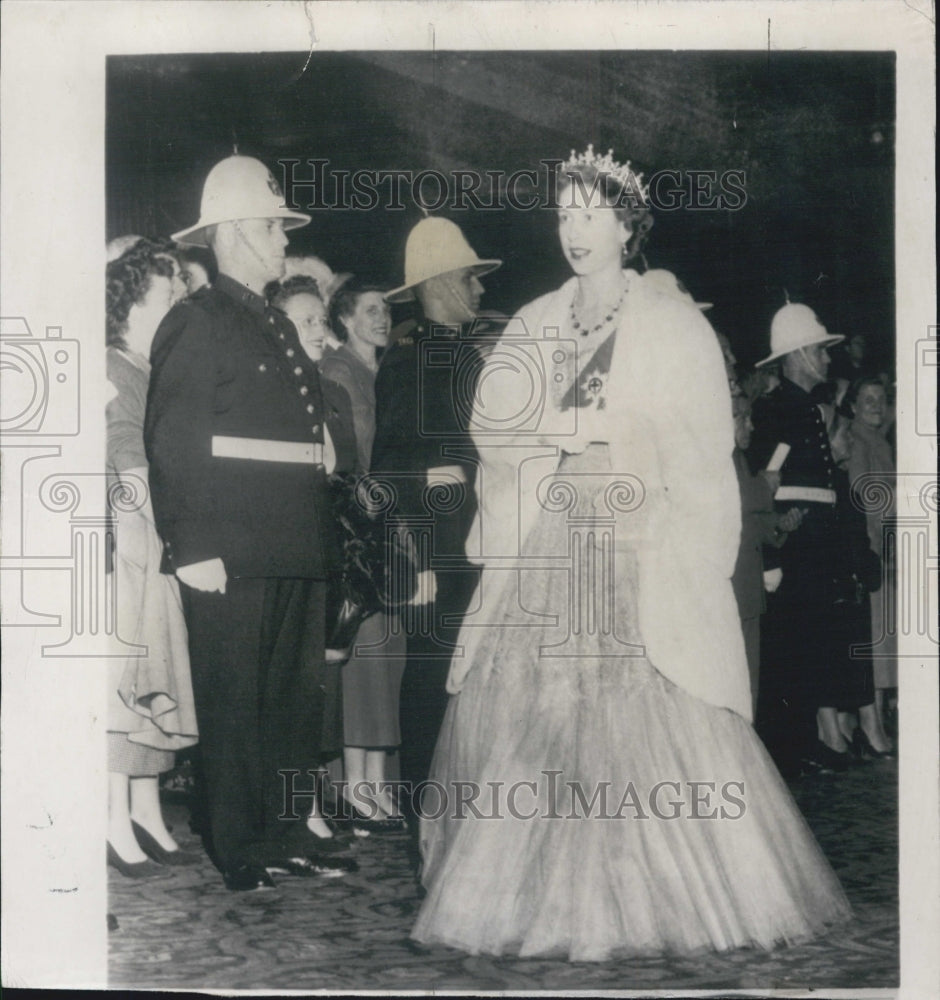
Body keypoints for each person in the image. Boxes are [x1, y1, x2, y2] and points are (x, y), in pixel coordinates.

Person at [411, 146, 851, 959]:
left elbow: (702, 442)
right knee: (542, 724)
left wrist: (617, 433)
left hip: (641, 539)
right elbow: (493, 423)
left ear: (625, 225)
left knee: (647, 715)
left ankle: (652, 892)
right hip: (557, 534)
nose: (574, 231)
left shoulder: (672, 323)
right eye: (564, 215)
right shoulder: (540, 319)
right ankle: (541, 896)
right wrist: (553, 432)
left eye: (590, 215)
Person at [144, 154, 357, 890]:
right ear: (233, 231)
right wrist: (191, 543)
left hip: (294, 539)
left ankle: (286, 830)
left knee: (291, 701)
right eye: (272, 225)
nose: (282, 239)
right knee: (236, 700)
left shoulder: (270, 320)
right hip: (230, 546)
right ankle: (238, 843)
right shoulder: (196, 320)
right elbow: (173, 438)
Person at [372, 217, 501, 850]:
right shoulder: (408, 357)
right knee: (431, 672)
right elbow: (386, 468)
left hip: (475, 544)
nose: (478, 292)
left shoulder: (464, 354)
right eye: (470, 280)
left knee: (466, 675)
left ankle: (455, 803)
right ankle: (424, 802)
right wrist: (415, 556)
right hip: (438, 549)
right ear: (440, 283)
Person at [106, 235, 198, 875]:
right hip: (127, 544)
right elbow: (125, 454)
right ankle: (113, 818)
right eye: (169, 295)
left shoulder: (145, 367)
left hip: (151, 541)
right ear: (134, 301)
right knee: (124, 685)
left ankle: (144, 809)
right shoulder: (114, 365)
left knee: (152, 674)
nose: (177, 307)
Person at [318, 280, 409, 830]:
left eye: (386, 309)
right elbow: (349, 462)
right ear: (345, 318)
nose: (383, 317)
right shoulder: (339, 372)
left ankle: (377, 782)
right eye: (371, 310)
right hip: (359, 525)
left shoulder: (381, 371)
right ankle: (354, 785)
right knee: (364, 654)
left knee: (387, 654)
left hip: (388, 522)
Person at [749, 303, 851, 776]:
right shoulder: (775, 409)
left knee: (812, 638)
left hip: (816, 540)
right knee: (791, 643)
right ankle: (790, 746)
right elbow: (764, 481)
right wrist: (771, 551)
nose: (828, 360)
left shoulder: (805, 407)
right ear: (796, 356)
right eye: (819, 352)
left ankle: (805, 740)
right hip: (793, 540)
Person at [844, 376, 896, 753]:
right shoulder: (859, 442)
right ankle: (872, 724)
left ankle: (865, 722)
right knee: (877, 640)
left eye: (881, 399)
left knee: (884, 639)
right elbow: (865, 498)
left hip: (885, 551)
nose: (875, 405)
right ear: (854, 405)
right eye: (868, 398)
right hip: (873, 553)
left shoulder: (878, 441)